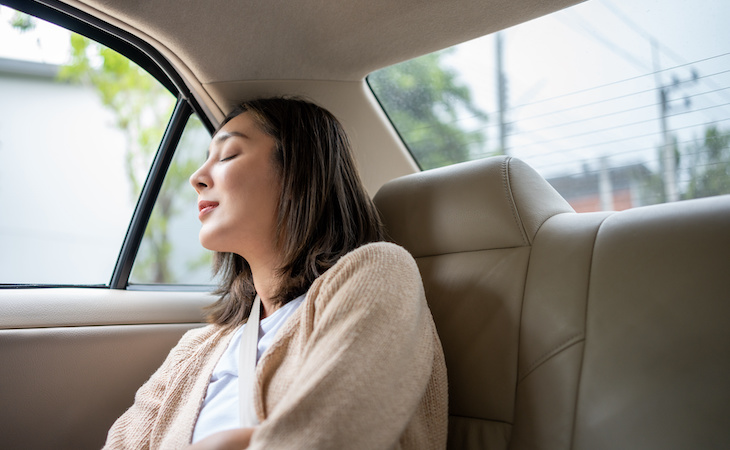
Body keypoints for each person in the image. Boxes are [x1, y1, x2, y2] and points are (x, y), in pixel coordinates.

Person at [103, 97, 448, 449]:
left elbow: (327, 438)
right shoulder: (196, 348)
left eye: (228, 155)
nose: (197, 178)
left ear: (299, 172)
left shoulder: (380, 273)